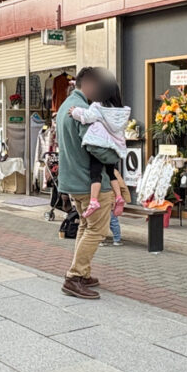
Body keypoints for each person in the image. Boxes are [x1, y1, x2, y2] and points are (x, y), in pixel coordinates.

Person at [56, 67, 118, 299]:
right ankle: (74, 277)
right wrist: (114, 154)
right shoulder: (83, 110)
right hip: (89, 180)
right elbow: (93, 145)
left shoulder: (66, 106)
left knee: (85, 225)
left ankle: (82, 273)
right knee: (97, 230)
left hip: (72, 179)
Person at [69, 76, 130, 220]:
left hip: (100, 145)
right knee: (111, 171)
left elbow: (87, 116)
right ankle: (119, 196)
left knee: (95, 173)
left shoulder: (98, 106)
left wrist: (74, 112)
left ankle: (93, 201)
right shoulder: (121, 111)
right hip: (114, 147)